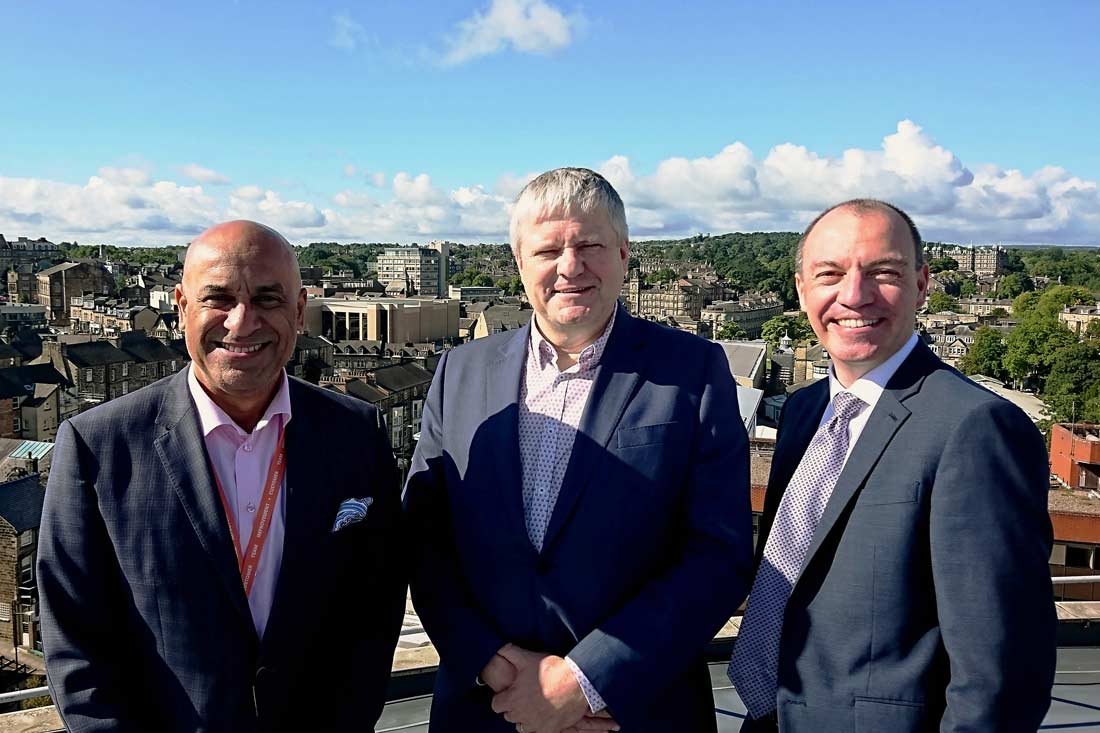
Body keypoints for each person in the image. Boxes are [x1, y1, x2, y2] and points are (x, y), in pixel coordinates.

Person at [403, 167, 754, 733]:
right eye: (548, 250)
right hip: (484, 707)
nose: (570, 267)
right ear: (519, 262)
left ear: (622, 252)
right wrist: (494, 664)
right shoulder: (459, 371)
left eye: (589, 244)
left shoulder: (695, 370)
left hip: (632, 710)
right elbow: (424, 539)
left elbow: (719, 553)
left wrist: (585, 680)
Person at [38, 220, 405, 732]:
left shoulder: (356, 434)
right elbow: (74, 640)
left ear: (299, 312)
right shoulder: (96, 445)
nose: (241, 322)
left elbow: (375, 609)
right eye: (218, 299)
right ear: (181, 306)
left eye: (267, 299)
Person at [727, 200, 1056, 732]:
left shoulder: (975, 427)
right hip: (770, 716)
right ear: (801, 288)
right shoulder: (805, 410)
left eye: (883, 272)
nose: (854, 295)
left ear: (923, 285)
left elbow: (1002, 674)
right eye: (829, 274)